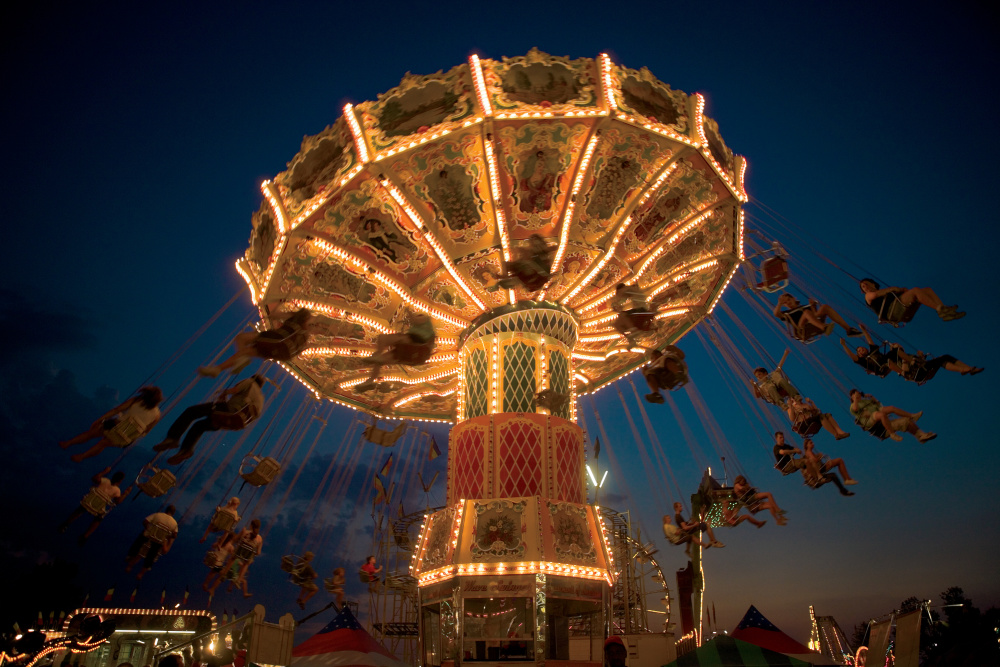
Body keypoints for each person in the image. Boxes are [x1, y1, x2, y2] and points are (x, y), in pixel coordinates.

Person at [153, 375, 267, 465]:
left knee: (191, 411)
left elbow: (236, 389)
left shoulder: (250, 382)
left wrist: (224, 392)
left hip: (227, 411)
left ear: (253, 378)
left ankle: (172, 438)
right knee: (199, 426)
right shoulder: (261, 399)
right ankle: (185, 450)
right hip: (230, 421)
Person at [199, 308, 313, 377]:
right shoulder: (306, 333)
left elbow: (274, 315)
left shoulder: (294, 317)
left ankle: (234, 363)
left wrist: (282, 313)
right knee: (247, 351)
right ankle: (218, 369)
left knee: (241, 338)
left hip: (277, 340)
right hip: (284, 354)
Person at [60, 387, 163, 462]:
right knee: (103, 443)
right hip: (127, 437)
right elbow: (146, 432)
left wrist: (101, 419)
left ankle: (68, 443)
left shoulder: (136, 400)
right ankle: (82, 456)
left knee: (91, 433)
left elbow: (117, 410)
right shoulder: (157, 415)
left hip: (115, 425)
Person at [357, 313, 436, 391]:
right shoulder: (424, 331)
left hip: (415, 346)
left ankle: (377, 355)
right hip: (407, 353)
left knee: (382, 338)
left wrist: (410, 314)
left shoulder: (426, 320)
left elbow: (418, 320)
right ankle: (370, 381)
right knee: (379, 360)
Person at [59, 468, 132, 544]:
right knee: (99, 519)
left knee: (80, 509)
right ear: (120, 481)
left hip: (89, 502)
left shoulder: (105, 480)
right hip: (98, 508)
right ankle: (86, 535)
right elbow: (118, 501)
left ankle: (66, 523)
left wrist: (104, 472)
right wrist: (126, 493)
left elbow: (94, 478)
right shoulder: (117, 490)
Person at [848, 389, 936, 442]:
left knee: (905, 420)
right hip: (873, 421)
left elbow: (878, 405)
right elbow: (855, 409)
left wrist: (871, 397)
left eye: (857, 393)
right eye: (854, 394)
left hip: (882, 419)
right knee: (881, 414)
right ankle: (892, 434)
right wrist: (855, 399)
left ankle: (920, 434)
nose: (857, 395)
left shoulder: (866, 401)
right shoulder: (853, 405)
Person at [859, 278, 964, 322]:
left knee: (927, 290)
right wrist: (892, 289)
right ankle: (939, 309)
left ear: (873, 283)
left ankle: (944, 310)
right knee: (915, 291)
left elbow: (898, 293)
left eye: (867, 284)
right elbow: (875, 295)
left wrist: (903, 291)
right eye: (863, 287)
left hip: (900, 308)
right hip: (892, 311)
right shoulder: (868, 296)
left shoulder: (886, 294)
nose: (866, 286)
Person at [208, 519, 263, 598]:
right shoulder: (260, 539)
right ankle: (239, 579)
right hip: (246, 557)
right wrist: (252, 551)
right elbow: (258, 552)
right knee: (246, 562)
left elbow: (235, 539)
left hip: (238, 553)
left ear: (251, 525)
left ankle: (225, 573)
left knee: (232, 559)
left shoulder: (245, 532)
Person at [773, 293, 861, 340]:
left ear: (794, 299)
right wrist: (779, 303)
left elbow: (815, 315)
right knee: (807, 312)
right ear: (784, 305)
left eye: (789, 300)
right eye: (785, 302)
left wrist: (813, 306)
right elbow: (776, 314)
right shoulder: (787, 313)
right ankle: (824, 327)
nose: (788, 302)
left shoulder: (805, 307)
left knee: (824, 307)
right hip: (801, 328)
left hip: (813, 321)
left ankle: (849, 330)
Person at [483, 234, 553, 292]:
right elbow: (544, 277)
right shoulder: (526, 281)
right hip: (538, 264)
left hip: (534, 262)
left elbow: (507, 264)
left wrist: (503, 275)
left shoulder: (518, 274)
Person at [125, 505, 179, 580]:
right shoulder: (174, 523)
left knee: (140, 543)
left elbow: (145, 521)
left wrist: (149, 529)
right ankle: (141, 573)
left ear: (166, 510)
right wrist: (167, 536)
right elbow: (174, 535)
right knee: (152, 555)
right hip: (158, 541)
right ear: (173, 513)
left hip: (148, 536)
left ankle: (130, 558)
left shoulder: (157, 515)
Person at [890, 346, 984, 383]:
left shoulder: (908, 355)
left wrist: (920, 356)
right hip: (918, 373)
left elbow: (919, 362)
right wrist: (906, 360)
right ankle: (963, 370)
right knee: (942, 359)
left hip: (923, 370)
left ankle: (968, 369)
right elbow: (905, 372)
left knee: (943, 359)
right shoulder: (898, 362)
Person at [785, 394, 850, 440]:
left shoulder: (805, 405)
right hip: (803, 424)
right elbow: (792, 419)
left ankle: (840, 431)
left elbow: (816, 412)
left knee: (827, 415)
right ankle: (835, 434)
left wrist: (811, 402)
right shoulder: (792, 408)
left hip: (810, 421)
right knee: (820, 417)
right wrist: (791, 406)